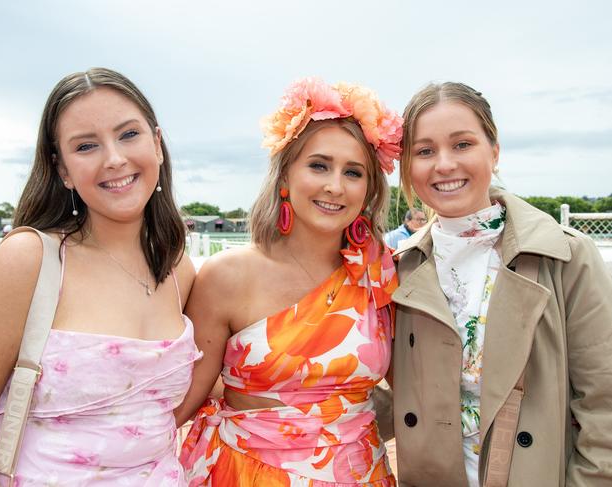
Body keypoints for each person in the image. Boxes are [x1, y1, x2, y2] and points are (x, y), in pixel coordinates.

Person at [0, 68, 201, 486]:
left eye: (129, 134)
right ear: (63, 170)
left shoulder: (178, 269)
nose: (114, 158)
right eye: (86, 145)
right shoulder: (30, 261)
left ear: (158, 146)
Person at [381, 82, 612, 486]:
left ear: (495, 150)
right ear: (407, 166)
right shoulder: (398, 268)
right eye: (424, 151)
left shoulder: (567, 258)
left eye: (463, 144)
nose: (445, 164)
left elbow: (603, 405)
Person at [175, 78, 402, 486]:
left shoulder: (380, 275)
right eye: (319, 165)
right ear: (285, 176)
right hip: (246, 474)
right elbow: (184, 400)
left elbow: (416, 388)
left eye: (353, 172)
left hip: (363, 475)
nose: (335, 186)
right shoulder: (226, 275)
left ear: (368, 190)